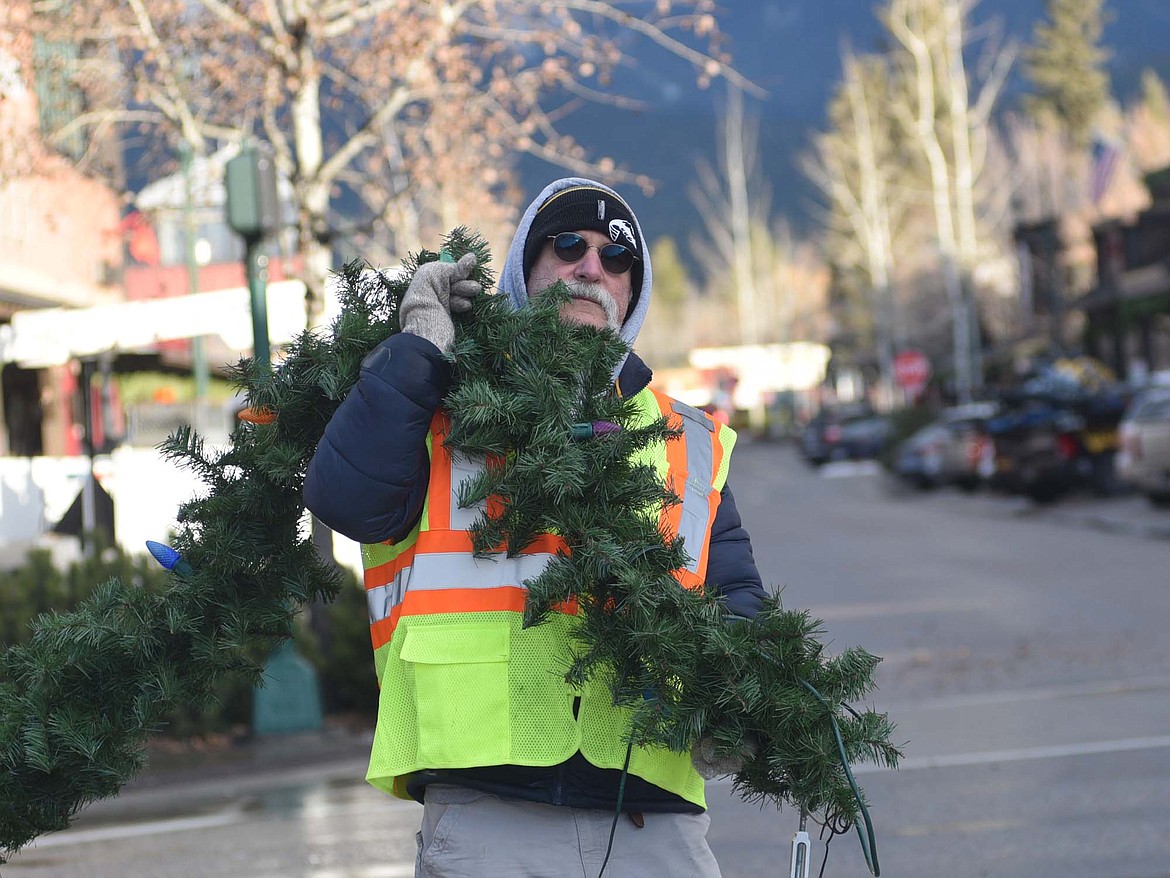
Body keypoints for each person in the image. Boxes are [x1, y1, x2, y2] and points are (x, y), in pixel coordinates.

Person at [304, 177, 765, 877]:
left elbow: (737, 604)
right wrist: (419, 352)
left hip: (651, 819)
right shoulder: (443, 407)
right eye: (570, 244)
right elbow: (346, 497)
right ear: (526, 265)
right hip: (489, 817)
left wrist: (737, 699)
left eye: (617, 259)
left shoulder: (687, 440)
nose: (592, 267)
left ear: (632, 291)